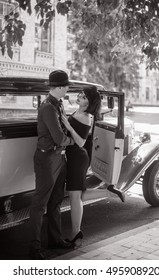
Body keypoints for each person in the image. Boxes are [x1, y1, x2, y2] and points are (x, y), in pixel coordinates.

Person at [29, 70, 75, 260]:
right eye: (66, 86)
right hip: (48, 159)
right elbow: (58, 137)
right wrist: (74, 141)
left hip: (58, 158)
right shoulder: (48, 107)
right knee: (40, 203)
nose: (68, 89)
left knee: (56, 201)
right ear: (60, 87)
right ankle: (34, 247)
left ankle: (54, 240)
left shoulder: (58, 104)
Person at [62, 86, 116, 245]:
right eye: (80, 94)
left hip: (78, 159)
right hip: (73, 158)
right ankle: (76, 231)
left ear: (89, 103)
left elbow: (81, 142)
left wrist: (68, 126)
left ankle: (75, 232)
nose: (80, 97)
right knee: (76, 195)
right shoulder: (78, 112)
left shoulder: (86, 117)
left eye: (84, 97)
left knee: (75, 197)